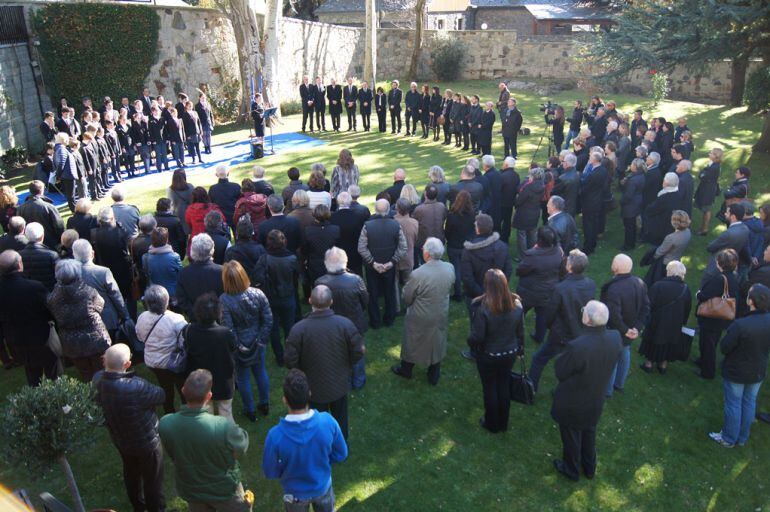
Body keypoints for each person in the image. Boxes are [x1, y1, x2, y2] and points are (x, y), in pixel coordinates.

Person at [551, 300, 623, 481]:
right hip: (596, 398)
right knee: (589, 431)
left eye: (584, 310)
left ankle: (571, 469)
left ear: (587, 320)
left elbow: (560, 371)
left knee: (571, 435)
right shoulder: (615, 337)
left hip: (573, 400)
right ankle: (589, 467)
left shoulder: (578, 346)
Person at [159, 370, 250, 511]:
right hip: (224, 490)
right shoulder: (222, 426)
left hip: (192, 489)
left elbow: (171, 452)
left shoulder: (166, 423)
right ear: (209, 396)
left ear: (183, 390)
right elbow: (242, 445)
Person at [93, 344, 166, 512]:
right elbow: (160, 395)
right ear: (127, 364)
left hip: (121, 438)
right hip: (146, 441)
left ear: (104, 360)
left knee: (131, 472)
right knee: (153, 480)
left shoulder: (97, 380)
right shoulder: (136, 386)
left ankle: (138, 506)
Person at [285, 285, 365, 439]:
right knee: (340, 420)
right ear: (331, 302)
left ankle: (321, 446)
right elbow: (358, 351)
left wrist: (302, 371)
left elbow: (290, 360)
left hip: (313, 388)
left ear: (310, 301)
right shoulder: (345, 324)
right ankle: (340, 445)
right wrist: (347, 364)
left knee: (317, 425)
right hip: (339, 384)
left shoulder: (298, 329)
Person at [263, 369, 348, 511]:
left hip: (294, 494)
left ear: (284, 400)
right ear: (309, 394)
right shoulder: (328, 422)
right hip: (322, 486)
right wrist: (323, 460)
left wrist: (286, 470)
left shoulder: (275, 436)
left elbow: (270, 471)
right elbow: (341, 453)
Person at [709, 284, 770, 447]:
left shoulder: (741, 325)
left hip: (737, 371)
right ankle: (742, 437)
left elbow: (725, 347)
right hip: (758, 370)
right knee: (749, 402)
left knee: (733, 404)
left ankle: (729, 438)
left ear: (751, 301)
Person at [528, 249, 594, 391]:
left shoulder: (560, 288)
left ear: (569, 266)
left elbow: (550, 314)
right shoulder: (590, 284)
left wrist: (551, 327)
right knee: (568, 365)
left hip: (560, 335)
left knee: (538, 359)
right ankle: (562, 391)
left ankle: (530, 390)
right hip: (579, 334)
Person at [392, 238, 455, 385]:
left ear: (427, 254)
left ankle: (406, 370)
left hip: (420, 316)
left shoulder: (418, 274)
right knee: (436, 341)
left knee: (412, 342)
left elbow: (407, 297)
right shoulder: (450, 268)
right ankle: (434, 375)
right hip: (440, 313)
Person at [467, 268, 523, 433]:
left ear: (487, 285)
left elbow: (477, 337)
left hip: (489, 355)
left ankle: (491, 424)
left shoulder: (482, 307)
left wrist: (470, 343)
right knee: (503, 384)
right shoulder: (517, 304)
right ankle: (502, 423)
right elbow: (520, 332)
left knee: (490, 387)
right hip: (509, 352)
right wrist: (520, 350)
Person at [220, 261, 273, 422]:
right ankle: (264, 404)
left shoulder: (224, 300)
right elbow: (268, 319)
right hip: (257, 340)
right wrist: (261, 340)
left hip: (242, 344)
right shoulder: (258, 294)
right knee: (260, 372)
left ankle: (250, 410)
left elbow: (228, 328)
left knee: (243, 378)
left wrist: (238, 346)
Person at [0, 250, 61, 386]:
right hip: (43, 336)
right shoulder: (34, 287)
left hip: (17, 341)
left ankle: (35, 397)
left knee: (32, 374)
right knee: (54, 374)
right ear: (19, 264)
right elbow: (51, 309)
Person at [47, 259, 111, 381]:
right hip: (95, 338)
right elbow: (100, 306)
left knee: (85, 372)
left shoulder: (52, 297)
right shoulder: (89, 292)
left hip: (71, 342)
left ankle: (91, 390)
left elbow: (54, 314)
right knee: (101, 369)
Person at [315, 247, 368, 391]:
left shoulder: (320, 283)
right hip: (354, 324)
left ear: (326, 263)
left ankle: (346, 382)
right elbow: (365, 301)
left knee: (337, 354)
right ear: (345, 261)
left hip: (331, 326)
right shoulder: (356, 280)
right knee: (357, 352)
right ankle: (358, 380)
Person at [601, 254, 649, 397]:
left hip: (616, 330)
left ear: (615, 267)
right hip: (630, 329)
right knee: (624, 353)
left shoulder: (614, 288)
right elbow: (646, 308)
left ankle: (607, 391)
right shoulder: (640, 283)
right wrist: (636, 328)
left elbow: (613, 315)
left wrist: (626, 330)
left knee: (611, 359)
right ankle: (619, 384)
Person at [136, 284, 188, 415]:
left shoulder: (142, 317)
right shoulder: (176, 319)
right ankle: (187, 412)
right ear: (166, 300)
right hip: (174, 362)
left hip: (153, 363)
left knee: (165, 387)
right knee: (182, 388)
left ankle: (169, 413)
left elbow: (140, 337)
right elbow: (185, 341)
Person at [184, 293, 236, 420]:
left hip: (202, 382)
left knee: (207, 414)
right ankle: (227, 432)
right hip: (224, 380)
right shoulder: (225, 333)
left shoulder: (189, 331)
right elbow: (233, 349)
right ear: (218, 312)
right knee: (226, 412)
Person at [358, 199, 407, 329]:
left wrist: (373, 263)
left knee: (373, 293)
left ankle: (375, 322)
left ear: (375, 210)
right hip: (387, 265)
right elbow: (403, 247)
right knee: (389, 292)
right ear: (388, 210)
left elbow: (361, 248)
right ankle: (389, 319)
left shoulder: (367, 226)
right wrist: (391, 262)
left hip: (373, 267)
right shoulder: (395, 225)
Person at [254, 229, 298, 366]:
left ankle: (279, 357)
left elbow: (257, 277)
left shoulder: (264, 258)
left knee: (273, 329)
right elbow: (296, 276)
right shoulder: (292, 258)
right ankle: (290, 356)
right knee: (289, 327)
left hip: (271, 297)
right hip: (288, 296)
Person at [638, 261, 691, 374]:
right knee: (669, 343)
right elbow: (687, 308)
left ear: (669, 271)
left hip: (658, 320)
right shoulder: (685, 289)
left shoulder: (659, 285)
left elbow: (649, 304)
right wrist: (683, 321)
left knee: (654, 340)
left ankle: (648, 364)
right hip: (675, 323)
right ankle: (663, 365)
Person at [73, 239, 130, 342]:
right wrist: (125, 316)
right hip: (106, 321)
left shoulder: (70, 275)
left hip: (82, 323)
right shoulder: (103, 272)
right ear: (92, 253)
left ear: (74, 255)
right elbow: (115, 295)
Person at [516, 226, 564, 344]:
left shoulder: (532, 255)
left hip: (529, 291)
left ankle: (516, 333)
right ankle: (539, 337)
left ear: (539, 239)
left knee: (519, 312)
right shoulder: (559, 251)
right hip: (549, 290)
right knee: (542, 315)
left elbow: (520, 271)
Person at [696, 249, 739, 380]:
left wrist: (698, 294)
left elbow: (705, 295)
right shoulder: (733, 278)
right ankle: (703, 361)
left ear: (720, 263)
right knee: (712, 341)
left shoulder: (719, 279)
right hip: (722, 317)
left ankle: (707, 371)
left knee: (707, 343)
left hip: (711, 317)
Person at [176, 233, 224, 319]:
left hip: (198, 318)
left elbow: (182, 300)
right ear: (212, 250)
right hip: (217, 317)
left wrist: (194, 315)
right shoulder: (221, 271)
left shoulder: (183, 273)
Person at [17, 180, 64, 249]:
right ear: (42, 190)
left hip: (30, 244)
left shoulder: (21, 208)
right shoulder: (49, 207)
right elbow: (59, 226)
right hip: (51, 244)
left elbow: (19, 228)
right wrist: (61, 241)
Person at [329, 192, 366, 276]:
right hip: (354, 252)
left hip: (338, 252)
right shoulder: (357, 217)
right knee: (356, 276)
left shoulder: (332, 217)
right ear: (350, 202)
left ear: (338, 202)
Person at [513, 167, 545, 258]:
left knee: (522, 235)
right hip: (535, 212)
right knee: (532, 233)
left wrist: (516, 201)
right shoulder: (542, 186)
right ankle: (533, 253)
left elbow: (519, 201)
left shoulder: (528, 187)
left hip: (524, 213)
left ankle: (523, 256)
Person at [580, 152, 608, 254]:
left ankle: (588, 247)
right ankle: (593, 243)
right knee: (594, 223)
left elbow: (585, 188)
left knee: (588, 225)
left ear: (595, 160)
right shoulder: (603, 170)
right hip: (598, 200)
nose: (589, 158)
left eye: (591, 157)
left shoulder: (593, 174)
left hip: (590, 202)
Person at [643, 172, 682, 246]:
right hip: (670, 223)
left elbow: (651, 210)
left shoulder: (664, 198)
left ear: (666, 183)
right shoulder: (678, 194)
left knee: (658, 245)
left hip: (661, 225)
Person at [19, 222, 60, 291]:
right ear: (42, 235)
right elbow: (60, 275)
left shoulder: (19, 255)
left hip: (30, 292)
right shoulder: (52, 255)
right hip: (50, 291)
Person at [694, 148, 723, 235]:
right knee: (706, 209)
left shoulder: (714, 167)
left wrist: (702, 172)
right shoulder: (712, 164)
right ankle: (704, 227)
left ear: (716, 156)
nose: (709, 154)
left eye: (711, 153)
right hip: (707, 188)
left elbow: (702, 176)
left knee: (706, 209)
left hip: (708, 191)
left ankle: (705, 229)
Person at [619, 158, 646, 250]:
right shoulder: (641, 175)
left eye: (632, 164)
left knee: (629, 226)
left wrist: (621, 201)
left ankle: (628, 245)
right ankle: (632, 241)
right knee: (632, 225)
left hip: (630, 205)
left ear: (635, 167)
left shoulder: (633, 180)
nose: (630, 165)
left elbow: (628, 195)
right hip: (637, 201)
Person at [394, 199, 418, 293]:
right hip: (408, 257)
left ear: (397, 208)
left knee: (394, 284)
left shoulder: (392, 221)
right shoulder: (414, 222)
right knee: (409, 284)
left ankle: (396, 302)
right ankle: (409, 301)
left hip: (394, 257)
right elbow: (416, 239)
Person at [209, 165, 241, 230]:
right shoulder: (236, 186)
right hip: (232, 217)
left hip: (222, 218)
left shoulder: (213, 189)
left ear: (216, 175)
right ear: (228, 173)